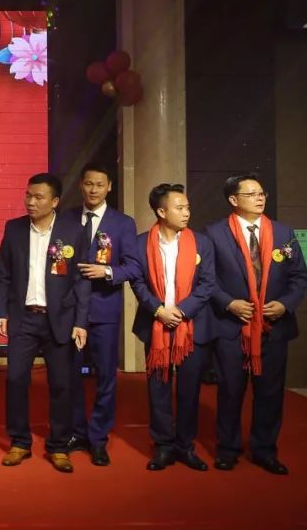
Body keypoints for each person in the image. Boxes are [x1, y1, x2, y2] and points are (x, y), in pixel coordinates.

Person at [205, 173, 307, 475]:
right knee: (230, 390)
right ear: (233, 200)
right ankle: (228, 449)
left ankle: (265, 450)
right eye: (251, 194)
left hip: (274, 326)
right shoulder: (214, 233)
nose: (259, 198)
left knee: (270, 392)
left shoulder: (283, 232)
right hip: (232, 325)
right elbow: (206, 279)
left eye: (261, 193)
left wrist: (285, 304)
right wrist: (228, 303)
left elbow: (299, 276)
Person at [0, 173, 90, 473]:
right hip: (23, 318)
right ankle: (20, 442)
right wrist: (2, 312)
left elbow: (81, 280)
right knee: (15, 380)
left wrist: (81, 321)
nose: (31, 202)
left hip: (59, 319)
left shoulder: (73, 232)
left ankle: (59, 446)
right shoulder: (13, 229)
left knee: (61, 384)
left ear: (55, 201)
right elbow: (3, 275)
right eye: (28, 195)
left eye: (38, 197)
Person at [131, 183, 215, 471]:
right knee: (158, 388)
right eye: (180, 208)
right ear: (161, 211)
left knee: (190, 389)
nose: (187, 212)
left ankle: (185, 446)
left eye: (187, 207)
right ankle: (163, 446)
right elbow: (137, 283)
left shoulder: (201, 242)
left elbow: (207, 283)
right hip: (155, 324)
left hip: (190, 326)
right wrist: (158, 310)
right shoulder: (140, 243)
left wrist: (181, 311)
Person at [64, 162, 142, 466]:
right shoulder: (66, 218)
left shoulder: (122, 223)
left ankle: (98, 438)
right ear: (81, 185)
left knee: (106, 377)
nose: (93, 190)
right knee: (69, 376)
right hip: (69, 311)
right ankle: (75, 432)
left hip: (104, 310)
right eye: (88, 184)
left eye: (99, 184)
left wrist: (107, 271)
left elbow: (133, 267)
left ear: (110, 187)